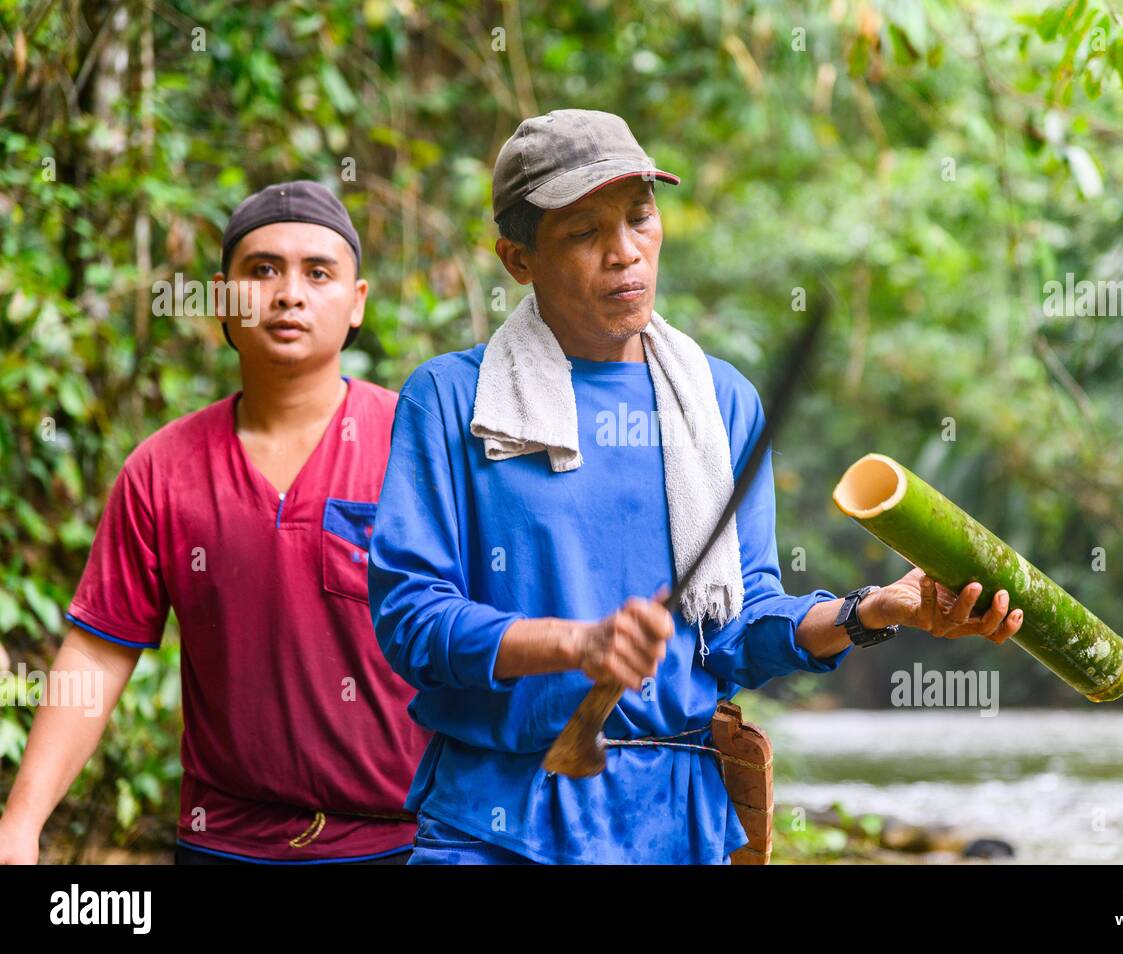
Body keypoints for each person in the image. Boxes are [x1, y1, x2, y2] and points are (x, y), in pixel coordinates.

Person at [368, 110, 1024, 864]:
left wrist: (872, 611)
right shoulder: (455, 400)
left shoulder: (719, 402)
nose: (626, 254)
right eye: (584, 233)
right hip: (494, 826)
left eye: (640, 219)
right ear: (518, 259)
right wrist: (575, 644)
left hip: (672, 826)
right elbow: (412, 620)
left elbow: (739, 629)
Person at [0, 181, 430, 865]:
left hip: (406, 843)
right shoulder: (162, 470)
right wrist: (19, 824)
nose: (289, 293)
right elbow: (100, 651)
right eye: (262, 270)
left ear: (357, 303)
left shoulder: (418, 446)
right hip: (225, 844)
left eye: (318, 273)